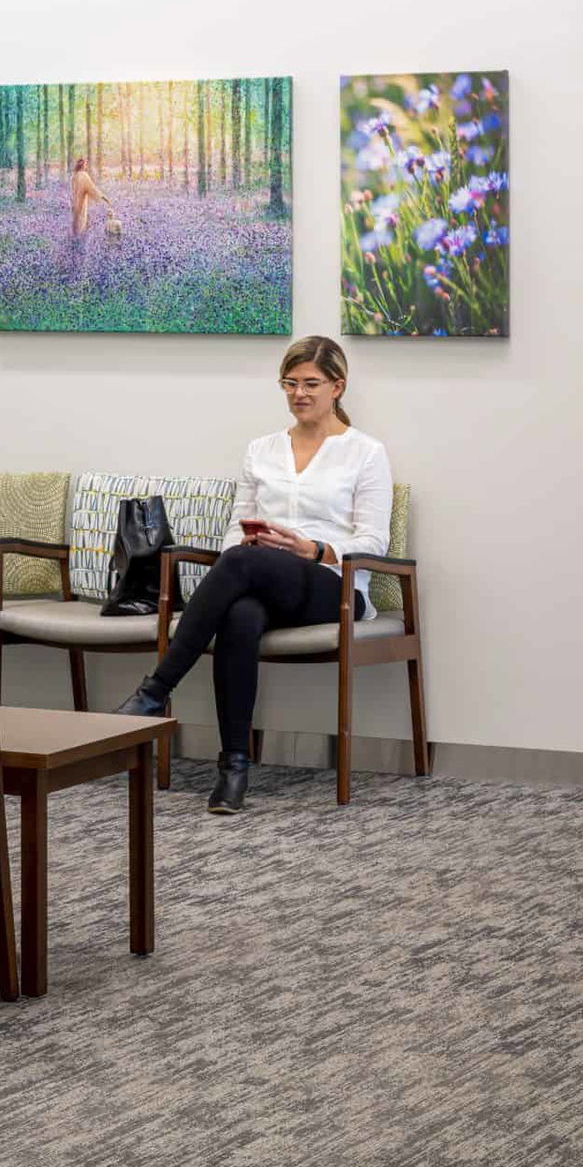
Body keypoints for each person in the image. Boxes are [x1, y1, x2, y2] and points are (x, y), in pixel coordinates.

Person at [117, 336, 393, 816]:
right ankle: (234, 768)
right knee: (240, 614)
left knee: (241, 567)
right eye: (290, 383)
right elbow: (235, 527)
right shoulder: (261, 450)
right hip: (263, 577)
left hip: (332, 585)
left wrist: (313, 549)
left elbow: (374, 540)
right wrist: (244, 546)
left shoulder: (366, 452)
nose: (299, 393)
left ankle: (155, 691)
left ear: (337, 387)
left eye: (311, 384)